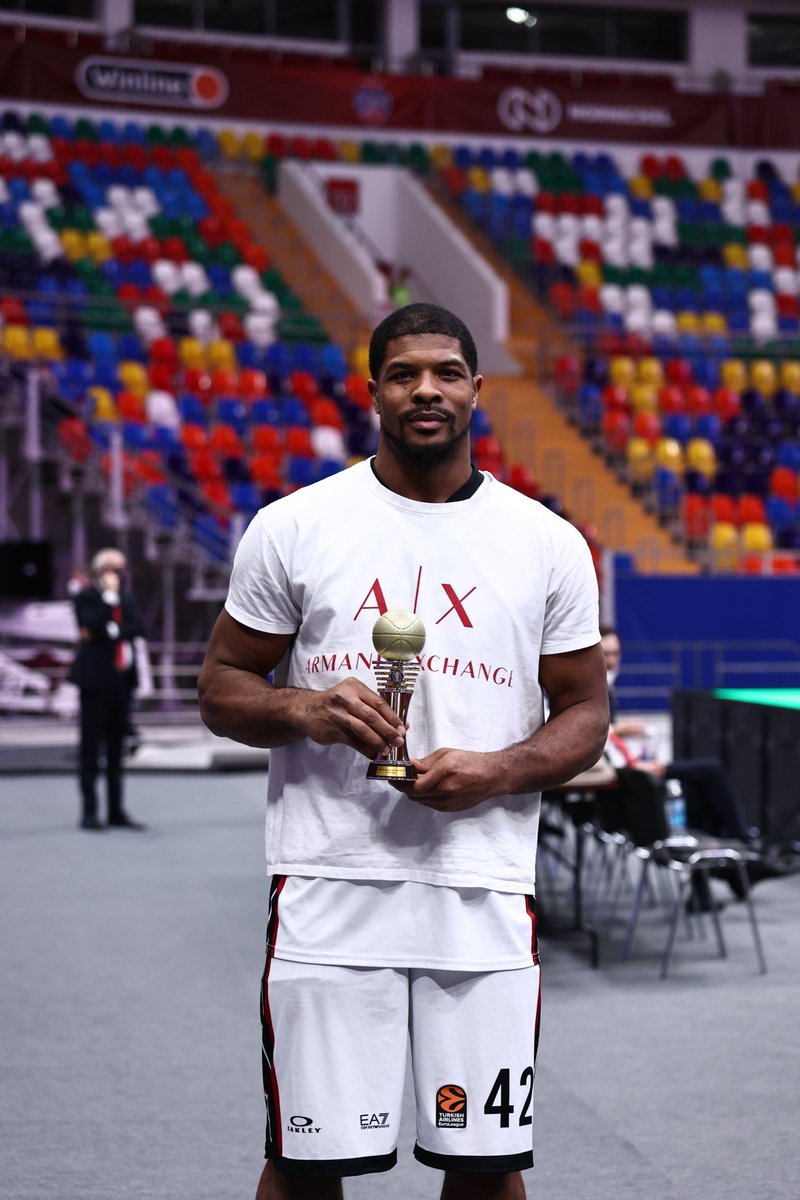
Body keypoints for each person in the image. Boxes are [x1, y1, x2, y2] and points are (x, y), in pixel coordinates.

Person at [198, 303, 609, 1200]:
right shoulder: (295, 525)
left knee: (486, 1166)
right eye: (404, 373)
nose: (427, 390)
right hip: (328, 882)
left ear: (476, 390)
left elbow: (586, 710)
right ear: (373, 390)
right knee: (306, 1166)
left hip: (484, 887)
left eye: (447, 372)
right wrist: (304, 707)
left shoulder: (547, 543)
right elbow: (221, 686)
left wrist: (498, 770)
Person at [68, 547, 146, 831]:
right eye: (113, 569)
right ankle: (89, 812)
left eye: (121, 569)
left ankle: (116, 811)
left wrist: (112, 630)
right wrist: (109, 600)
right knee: (91, 749)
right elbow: (89, 628)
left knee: (117, 749)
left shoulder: (128, 597)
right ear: (100, 571)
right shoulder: (86, 597)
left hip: (122, 682)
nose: (118, 575)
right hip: (95, 682)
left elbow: (137, 628)